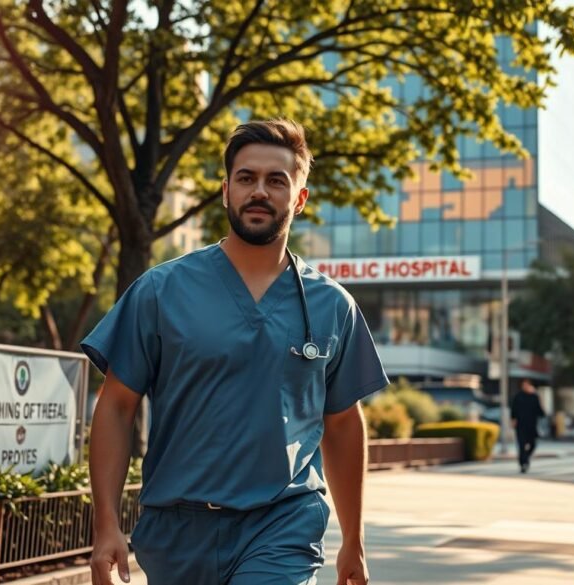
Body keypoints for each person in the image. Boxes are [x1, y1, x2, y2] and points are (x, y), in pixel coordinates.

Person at [85, 119, 389, 585]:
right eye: (246, 178)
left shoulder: (333, 306)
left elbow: (343, 422)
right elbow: (116, 406)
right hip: (176, 529)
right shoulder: (161, 291)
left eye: (276, 180)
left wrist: (354, 539)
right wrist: (106, 523)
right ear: (226, 191)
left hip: (281, 525)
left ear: (300, 199)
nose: (259, 191)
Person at [511, 378, 545, 473]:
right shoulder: (518, 396)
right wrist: (513, 420)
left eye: (526, 385)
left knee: (533, 444)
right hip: (520, 425)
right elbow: (514, 409)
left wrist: (539, 398)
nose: (525, 387)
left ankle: (526, 458)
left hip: (532, 425)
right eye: (523, 385)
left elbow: (541, 412)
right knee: (521, 445)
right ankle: (523, 464)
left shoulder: (534, 397)